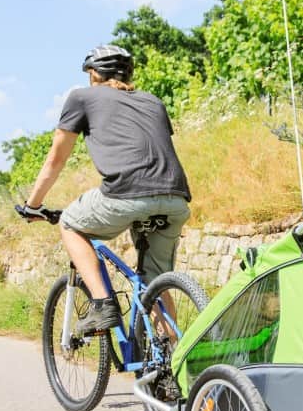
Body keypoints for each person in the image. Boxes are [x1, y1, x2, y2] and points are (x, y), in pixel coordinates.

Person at [18, 45, 191, 334]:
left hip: (125, 193)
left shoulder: (81, 97)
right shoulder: (153, 101)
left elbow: (56, 160)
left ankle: (103, 305)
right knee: (155, 285)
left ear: (94, 73)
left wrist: (32, 205)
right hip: (176, 198)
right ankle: (170, 366)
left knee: (71, 223)